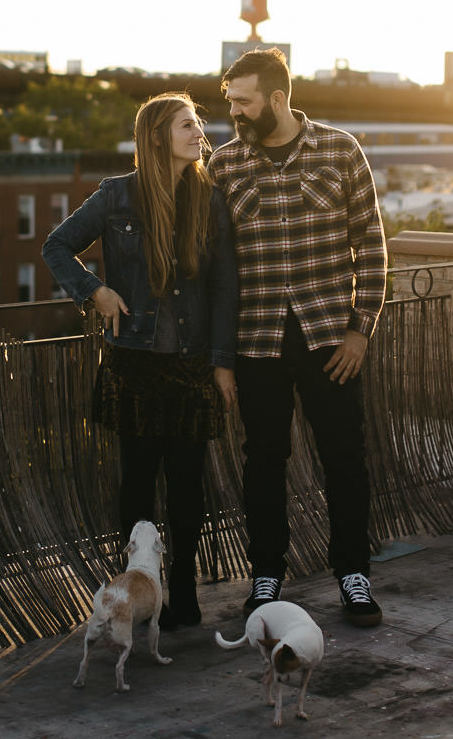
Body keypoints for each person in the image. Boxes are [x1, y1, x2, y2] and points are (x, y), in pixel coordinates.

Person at [42, 92, 238, 628]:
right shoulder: (116, 197)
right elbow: (56, 246)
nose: (199, 134)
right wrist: (94, 291)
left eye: (197, 124)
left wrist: (223, 362)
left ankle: (184, 588)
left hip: (192, 365)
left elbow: (224, 287)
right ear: (156, 137)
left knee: (187, 485)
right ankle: (135, 590)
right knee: (136, 484)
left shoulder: (209, 198)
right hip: (135, 366)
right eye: (186, 126)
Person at [209, 47, 387, 627]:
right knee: (263, 461)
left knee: (345, 457)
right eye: (230, 100)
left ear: (277, 99)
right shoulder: (225, 166)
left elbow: (372, 245)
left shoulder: (340, 151)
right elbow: (212, 264)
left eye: (243, 100)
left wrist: (361, 332)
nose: (233, 111)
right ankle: (267, 576)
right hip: (256, 342)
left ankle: (354, 576)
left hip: (330, 341)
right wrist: (222, 358)